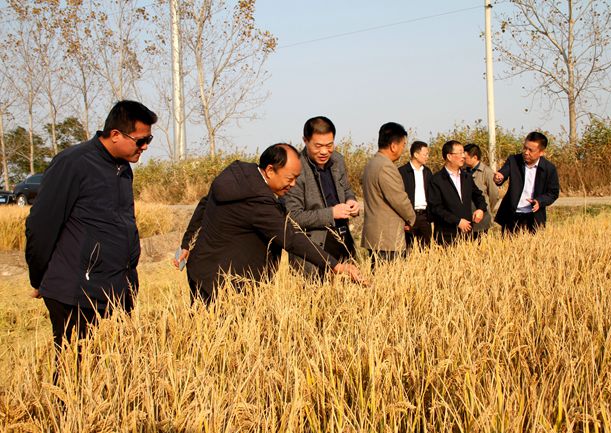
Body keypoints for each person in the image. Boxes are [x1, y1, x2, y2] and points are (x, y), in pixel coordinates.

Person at [25, 100, 158, 357]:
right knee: (74, 367)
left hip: (114, 290)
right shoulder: (73, 163)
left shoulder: (123, 169)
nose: (145, 147)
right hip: (76, 293)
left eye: (148, 140)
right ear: (116, 134)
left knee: (110, 367)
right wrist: (39, 277)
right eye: (141, 140)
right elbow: (41, 225)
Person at [174, 143, 363, 303]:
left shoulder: (238, 174)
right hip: (224, 287)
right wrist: (336, 266)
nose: (293, 184)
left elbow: (204, 203)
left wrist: (187, 242)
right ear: (270, 170)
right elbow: (290, 238)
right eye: (290, 178)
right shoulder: (258, 201)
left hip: (202, 271)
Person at [284, 116, 360, 278]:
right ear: (305, 141)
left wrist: (351, 200)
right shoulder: (296, 168)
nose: (324, 151)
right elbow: (293, 217)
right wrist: (331, 213)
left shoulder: (338, 160)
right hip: (314, 249)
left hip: (344, 240)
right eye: (318, 146)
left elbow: (347, 189)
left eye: (329, 145)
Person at [361, 122, 416, 268]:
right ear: (393, 146)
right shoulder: (386, 167)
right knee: (391, 277)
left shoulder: (372, 163)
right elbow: (400, 200)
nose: (403, 149)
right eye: (403, 145)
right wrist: (412, 219)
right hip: (388, 238)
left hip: (376, 236)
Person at [493, 131, 560, 233]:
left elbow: (553, 193)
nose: (526, 152)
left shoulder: (549, 168)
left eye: (530, 150)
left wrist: (539, 201)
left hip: (534, 216)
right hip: (511, 215)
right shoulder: (514, 160)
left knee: (533, 243)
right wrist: (499, 178)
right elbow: (503, 173)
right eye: (525, 148)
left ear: (541, 152)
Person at [429, 140, 487, 245]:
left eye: (463, 153)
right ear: (449, 156)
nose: (463, 156)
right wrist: (458, 221)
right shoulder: (437, 179)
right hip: (446, 235)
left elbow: (478, 196)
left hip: (467, 233)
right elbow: (436, 208)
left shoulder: (467, 177)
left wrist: (481, 209)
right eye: (460, 153)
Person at [398, 140, 434, 249]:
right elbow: (399, 197)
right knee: (408, 249)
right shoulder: (402, 172)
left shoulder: (427, 172)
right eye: (425, 154)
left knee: (426, 249)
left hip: (424, 216)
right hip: (409, 216)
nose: (427, 157)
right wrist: (404, 220)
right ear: (416, 154)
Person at [464, 143, 499, 234]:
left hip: (482, 214)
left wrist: (487, 208)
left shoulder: (487, 172)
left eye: (465, 158)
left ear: (474, 157)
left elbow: (493, 195)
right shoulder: (464, 171)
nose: (463, 160)